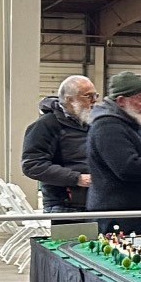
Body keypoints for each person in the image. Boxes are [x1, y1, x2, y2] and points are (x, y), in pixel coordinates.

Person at [86, 71, 141, 233]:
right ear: (121, 101)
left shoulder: (135, 126)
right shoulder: (107, 127)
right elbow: (127, 167)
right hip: (119, 217)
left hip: (136, 214)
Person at [22, 74, 97, 212]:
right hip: (64, 204)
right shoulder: (46, 125)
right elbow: (32, 165)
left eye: (95, 96)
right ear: (69, 99)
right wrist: (77, 178)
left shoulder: (88, 123)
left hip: (92, 200)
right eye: (88, 96)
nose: (94, 101)